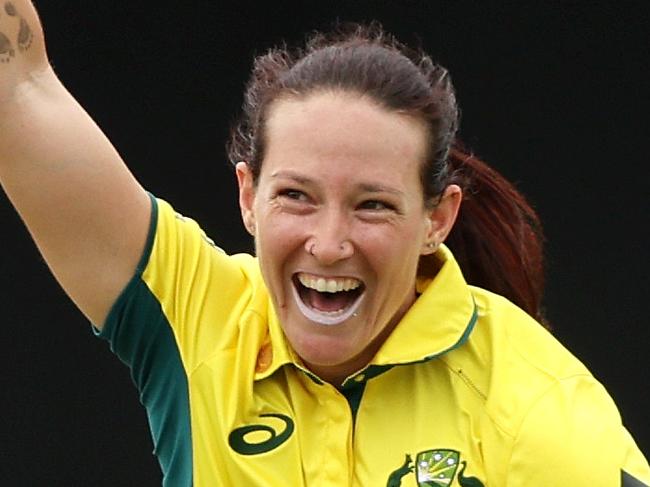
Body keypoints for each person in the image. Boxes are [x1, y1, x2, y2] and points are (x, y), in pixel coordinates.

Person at [1, 3, 648, 486]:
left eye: (372, 204)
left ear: (437, 218)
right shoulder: (199, 316)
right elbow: (17, 89)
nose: (330, 243)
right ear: (248, 195)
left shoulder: (538, 402)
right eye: (297, 196)